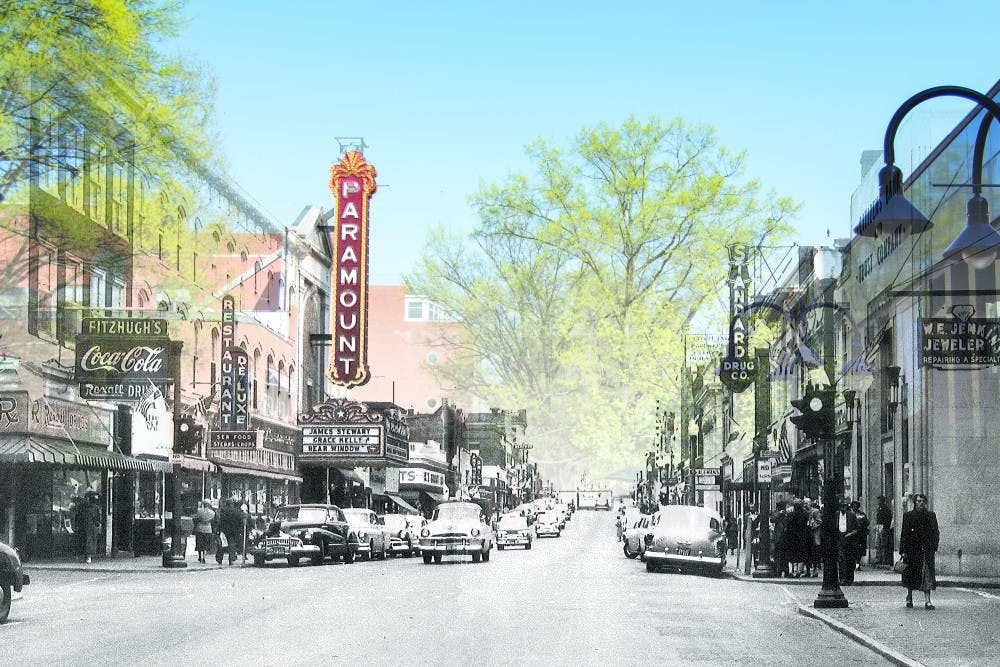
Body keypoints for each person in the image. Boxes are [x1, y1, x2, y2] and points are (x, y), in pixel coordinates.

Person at [900, 493, 940, 609]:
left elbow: (936, 532)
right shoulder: (908, 516)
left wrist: (933, 547)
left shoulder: (931, 516)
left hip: (926, 551)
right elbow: (904, 534)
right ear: (915, 503)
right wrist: (903, 550)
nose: (921, 503)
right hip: (912, 551)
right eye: (919, 501)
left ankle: (928, 600)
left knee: (927, 575)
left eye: (923, 501)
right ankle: (909, 597)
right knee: (910, 574)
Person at [217, 498, 248, 565]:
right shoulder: (237, 512)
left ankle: (220, 558)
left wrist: (219, 529)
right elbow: (240, 521)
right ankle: (231, 558)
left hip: (225, 530)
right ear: (232, 504)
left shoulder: (223, 511)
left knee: (223, 544)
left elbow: (221, 521)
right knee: (232, 544)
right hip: (235, 531)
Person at [836, 498, 859, 585]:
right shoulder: (836, 515)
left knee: (850, 560)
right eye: (842, 506)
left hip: (849, 540)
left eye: (845, 506)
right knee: (841, 560)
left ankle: (850, 579)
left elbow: (857, 528)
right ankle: (842, 578)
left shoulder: (851, 515)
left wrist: (851, 534)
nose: (843, 508)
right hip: (840, 539)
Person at [82, 491, 102, 564]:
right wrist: (98, 524)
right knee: (90, 541)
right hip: (91, 526)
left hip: (87, 526)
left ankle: (88, 556)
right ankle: (88, 556)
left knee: (88, 541)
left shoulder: (85, 507)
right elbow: (97, 518)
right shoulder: (95, 508)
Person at [850, 500, 870, 569]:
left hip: (861, 534)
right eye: (854, 506)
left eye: (857, 506)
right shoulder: (849, 514)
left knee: (860, 550)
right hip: (852, 535)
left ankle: (857, 564)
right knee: (853, 550)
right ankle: (853, 564)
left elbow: (867, 522)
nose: (855, 507)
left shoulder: (862, 514)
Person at [805, 497, 822, 577]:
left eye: (807, 503)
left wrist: (812, 527)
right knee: (806, 553)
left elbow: (819, 522)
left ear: (810, 503)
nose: (806, 505)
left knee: (814, 553)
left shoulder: (815, 511)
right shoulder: (804, 512)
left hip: (814, 534)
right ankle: (807, 570)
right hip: (806, 535)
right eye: (804, 503)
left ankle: (815, 570)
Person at [875, 496, 893, 565]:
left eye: (879, 501)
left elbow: (888, 519)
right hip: (879, 526)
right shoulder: (879, 508)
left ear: (883, 501)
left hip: (883, 526)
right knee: (878, 543)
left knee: (884, 544)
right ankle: (879, 558)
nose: (878, 502)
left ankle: (885, 559)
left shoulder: (886, 509)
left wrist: (885, 527)